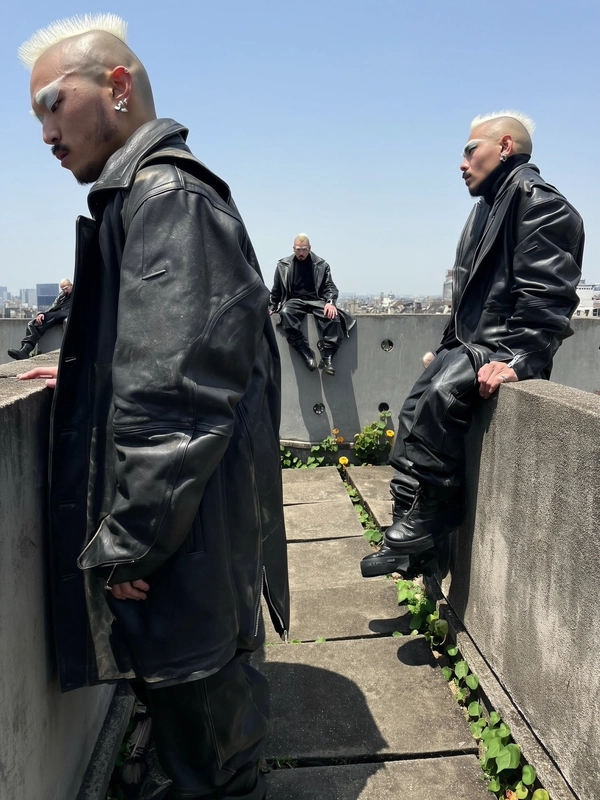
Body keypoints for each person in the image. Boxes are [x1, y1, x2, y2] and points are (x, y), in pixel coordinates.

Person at [18, 14, 289, 800]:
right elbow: (161, 355)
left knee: (213, 759)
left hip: (181, 547)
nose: (42, 132)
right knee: (192, 736)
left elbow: (178, 399)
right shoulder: (143, 197)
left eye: (49, 103)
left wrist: (131, 546)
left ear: (118, 88)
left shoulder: (166, 197)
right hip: (190, 538)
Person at [362, 111, 584, 578]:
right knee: (411, 412)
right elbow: (468, 294)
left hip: (498, 344)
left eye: (470, 150)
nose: (462, 163)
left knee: (442, 400)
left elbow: (549, 294)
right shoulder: (487, 205)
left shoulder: (537, 201)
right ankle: (411, 537)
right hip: (468, 341)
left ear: (504, 146)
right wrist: (444, 348)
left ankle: (435, 514)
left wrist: (520, 359)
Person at [269, 234, 355, 376]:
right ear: (293, 249)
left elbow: (330, 287)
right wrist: (272, 307)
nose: (301, 253)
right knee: (285, 313)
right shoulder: (283, 266)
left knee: (333, 316)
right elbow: (276, 290)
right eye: (298, 249)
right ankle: (304, 351)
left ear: (309, 248)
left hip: (317, 301)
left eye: (303, 249)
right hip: (294, 301)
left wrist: (330, 302)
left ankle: (327, 358)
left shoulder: (321, 265)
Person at [7, 278, 72, 360]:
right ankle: (25, 350)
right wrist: (42, 314)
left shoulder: (79, 292)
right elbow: (53, 306)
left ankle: (71, 352)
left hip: (70, 314)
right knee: (34, 323)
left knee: (67, 320)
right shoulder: (62, 295)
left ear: (71, 285)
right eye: (63, 289)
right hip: (58, 313)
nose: (65, 291)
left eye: (66, 288)